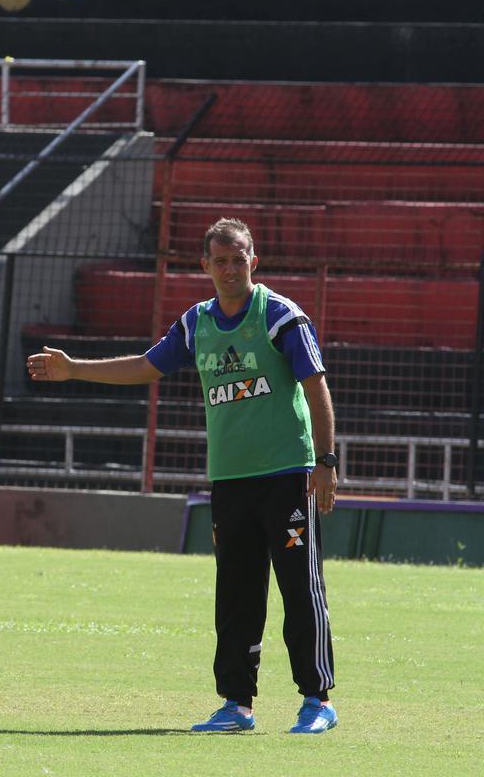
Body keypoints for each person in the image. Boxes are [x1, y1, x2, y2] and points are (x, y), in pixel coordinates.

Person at [26, 218, 339, 734]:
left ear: (253, 262)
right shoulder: (197, 323)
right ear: (205, 266)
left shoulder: (281, 316)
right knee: (236, 593)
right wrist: (74, 367)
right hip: (231, 479)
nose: (231, 268)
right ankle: (237, 705)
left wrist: (325, 463)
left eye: (239, 259)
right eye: (221, 260)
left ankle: (316, 700)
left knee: (300, 588)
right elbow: (147, 366)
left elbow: (316, 387)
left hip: (287, 475)